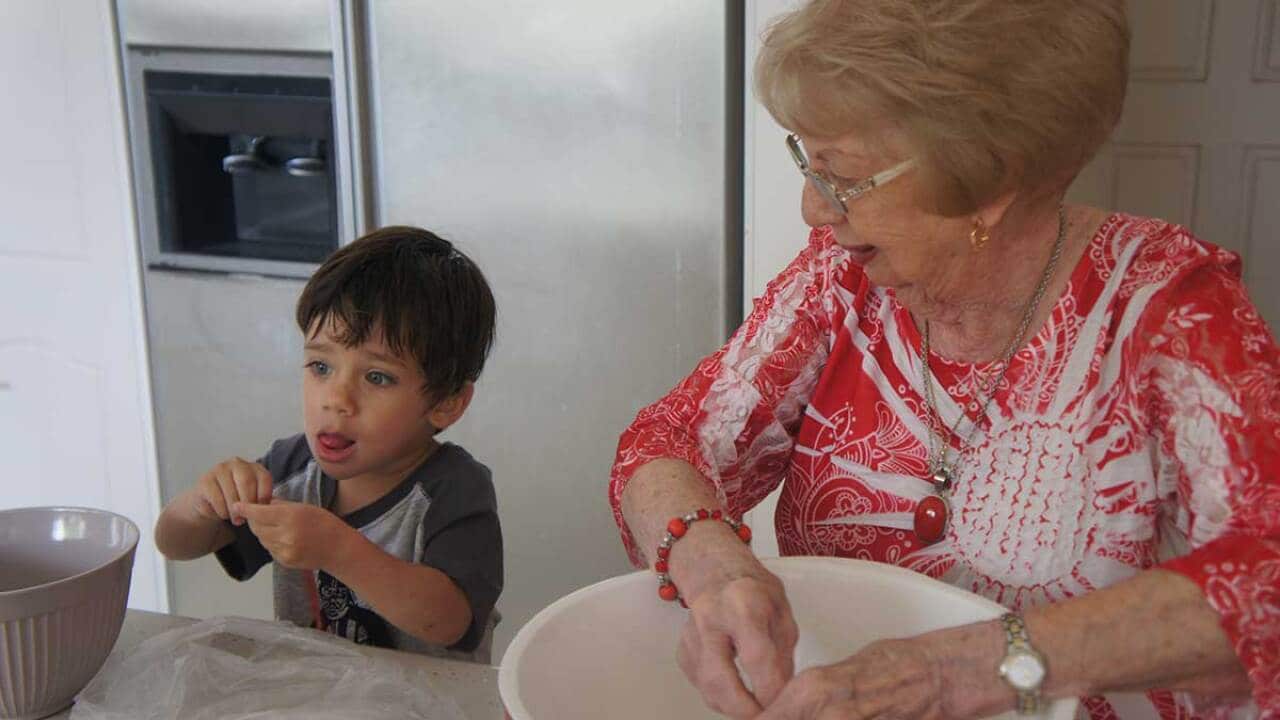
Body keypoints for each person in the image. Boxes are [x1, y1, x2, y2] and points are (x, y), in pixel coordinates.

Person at [609, 1, 1278, 718]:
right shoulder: (843, 281)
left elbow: (1264, 582)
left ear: (989, 184)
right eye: (807, 159)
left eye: (842, 176)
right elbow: (667, 441)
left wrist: (955, 671)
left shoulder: (1168, 308)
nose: (813, 208)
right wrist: (712, 563)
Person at [155, 226, 503, 663]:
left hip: (431, 698)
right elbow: (174, 543)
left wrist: (339, 550)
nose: (336, 399)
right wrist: (203, 503)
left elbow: (450, 621)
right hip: (318, 692)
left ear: (446, 403)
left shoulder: (454, 490)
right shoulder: (293, 469)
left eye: (377, 377)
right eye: (320, 366)